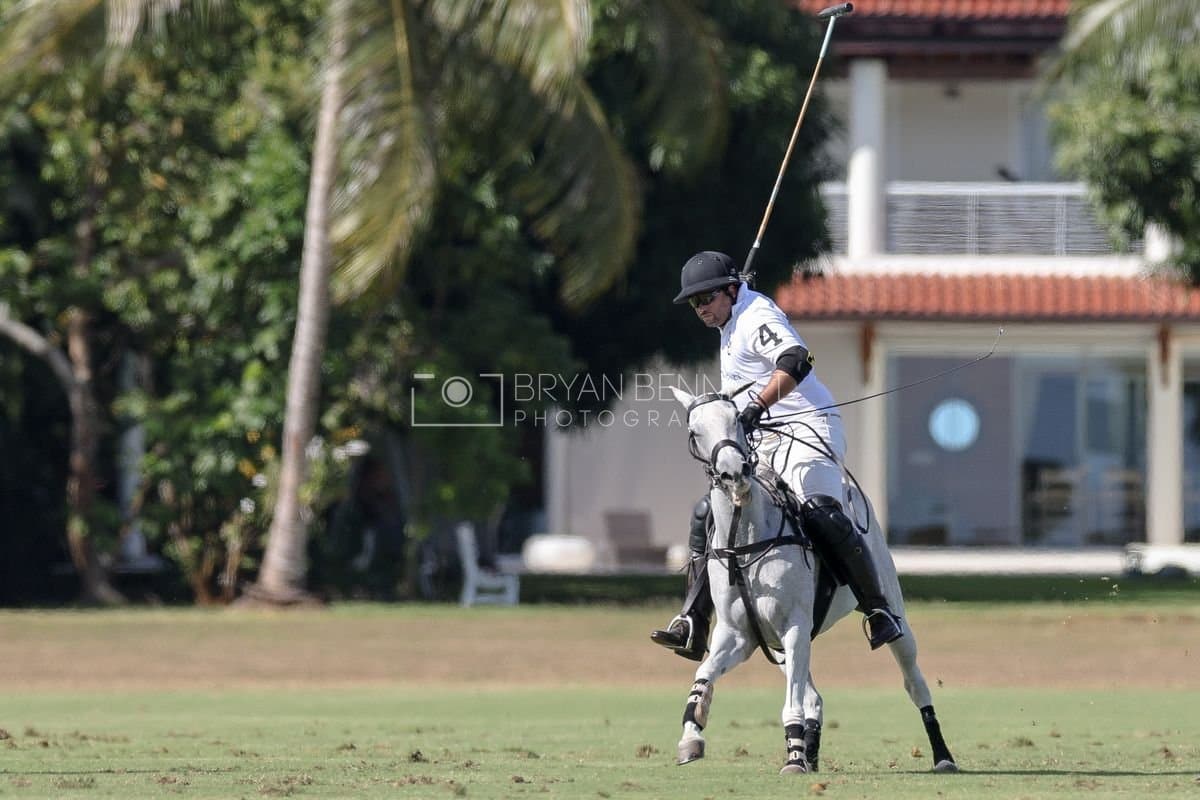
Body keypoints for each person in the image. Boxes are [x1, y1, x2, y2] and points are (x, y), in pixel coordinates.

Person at [650, 250, 903, 661]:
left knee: (820, 509)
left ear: (730, 290)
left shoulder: (755, 317)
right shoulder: (731, 317)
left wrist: (753, 409)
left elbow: (797, 360)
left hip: (808, 427)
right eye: (694, 303)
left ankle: (877, 609)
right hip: (765, 436)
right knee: (708, 511)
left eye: (706, 299)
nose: (699, 309)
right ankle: (694, 620)